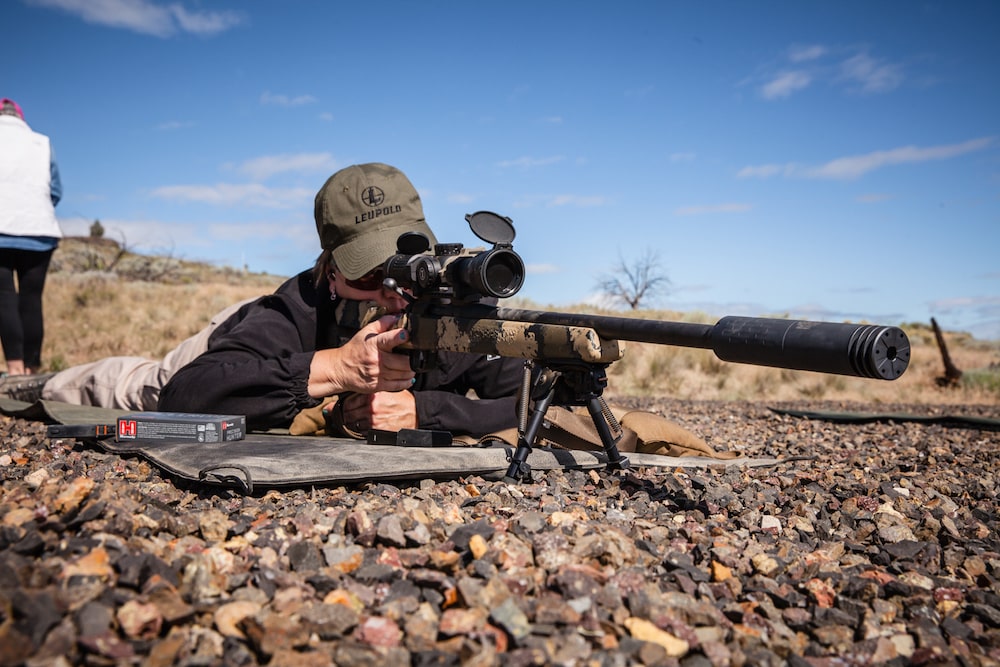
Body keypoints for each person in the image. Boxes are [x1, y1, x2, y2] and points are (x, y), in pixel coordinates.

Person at [3, 163, 524, 438]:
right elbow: (186, 397)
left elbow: (544, 402)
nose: (392, 292)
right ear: (333, 271)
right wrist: (337, 368)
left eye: (407, 269)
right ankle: (26, 381)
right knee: (121, 385)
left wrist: (425, 410)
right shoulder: (293, 308)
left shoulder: (443, 313)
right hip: (220, 352)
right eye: (371, 274)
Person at [0, 98, 63, 378]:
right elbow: (56, 191)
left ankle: (14, 372)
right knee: (31, 298)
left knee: (4, 297)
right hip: (40, 230)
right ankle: (32, 370)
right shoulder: (41, 143)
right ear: (21, 119)